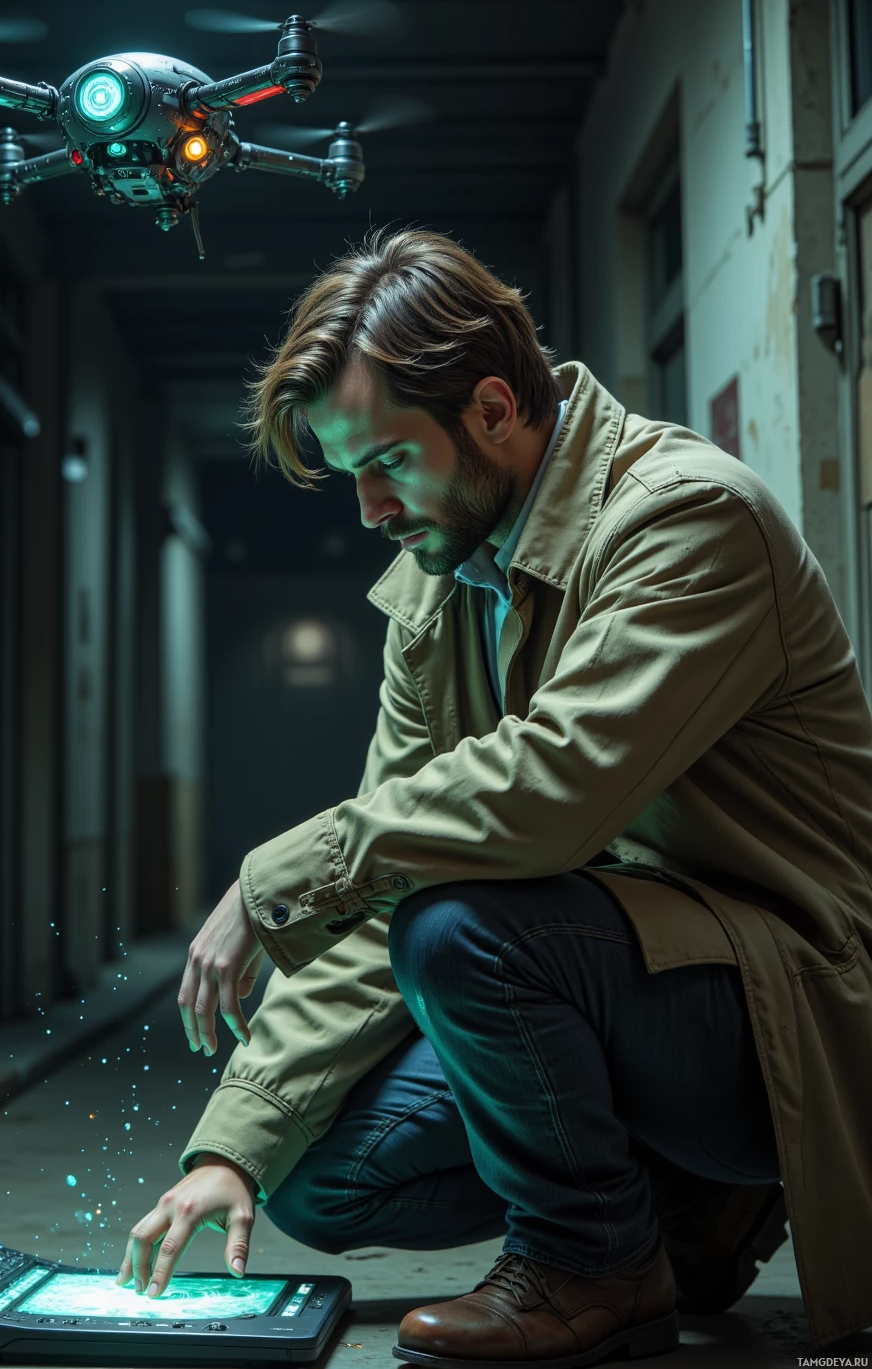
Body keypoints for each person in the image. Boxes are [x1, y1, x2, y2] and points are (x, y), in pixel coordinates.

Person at [118, 229, 872, 1362]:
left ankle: (594, 1263)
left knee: (462, 927)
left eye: (386, 462)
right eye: (348, 473)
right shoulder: (441, 589)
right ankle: (677, 1214)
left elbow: (550, 792)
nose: (367, 507)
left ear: (490, 409)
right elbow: (386, 880)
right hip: (610, 978)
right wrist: (233, 1145)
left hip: (780, 1006)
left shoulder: (686, 519)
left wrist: (275, 872)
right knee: (321, 1177)